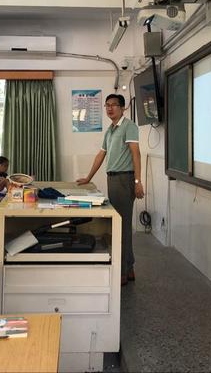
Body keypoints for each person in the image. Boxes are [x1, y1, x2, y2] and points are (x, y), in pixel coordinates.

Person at [77, 93, 144, 286]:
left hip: (124, 179)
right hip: (113, 179)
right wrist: (88, 177)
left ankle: (122, 271)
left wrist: (138, 181)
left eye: (114, 105)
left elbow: (136, 154)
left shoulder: (129, 126)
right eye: (107, 105)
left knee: (121, 226)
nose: (109, 108)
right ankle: (129, 267)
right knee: (122, 225)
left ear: (123, 108)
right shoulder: (110, 130)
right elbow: (101, 155)